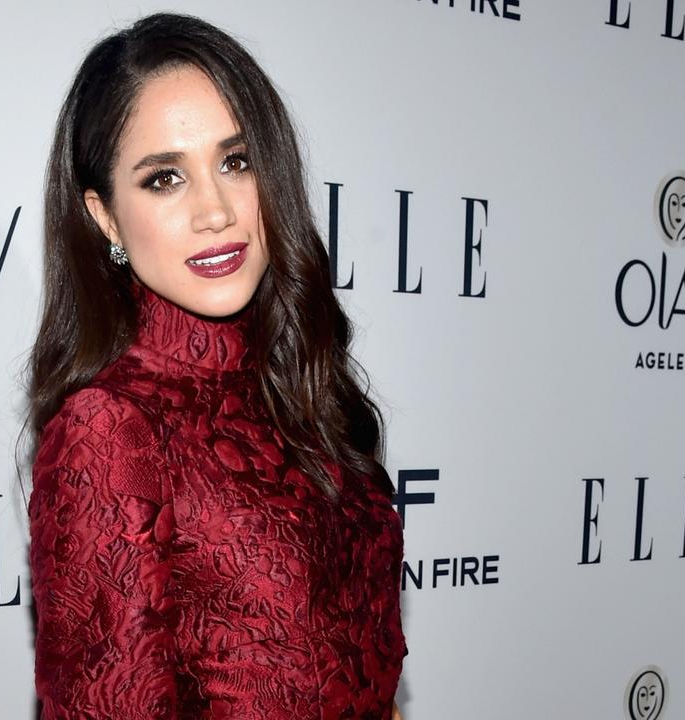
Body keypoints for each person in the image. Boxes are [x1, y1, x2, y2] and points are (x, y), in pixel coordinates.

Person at [22, 11, 408, 719]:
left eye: (236, 162)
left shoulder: (307, 389)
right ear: (104, 216)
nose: (215, 212)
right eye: (164, 179)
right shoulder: (109, 430)